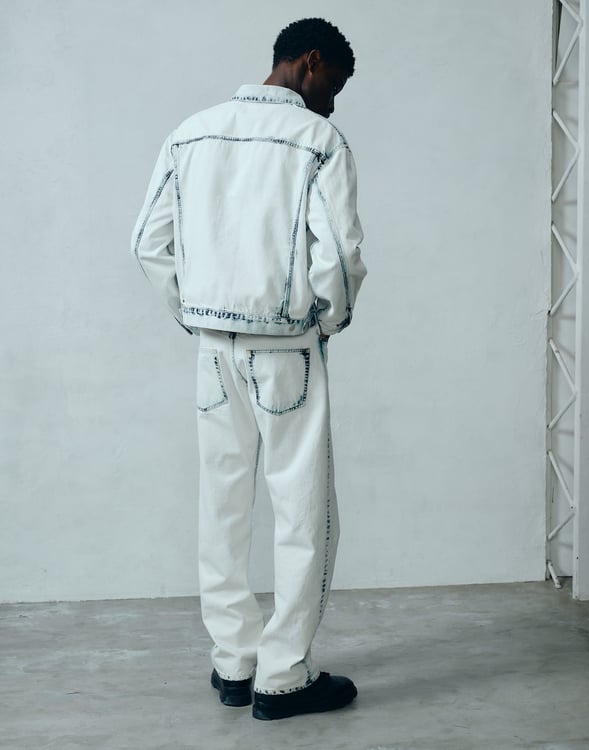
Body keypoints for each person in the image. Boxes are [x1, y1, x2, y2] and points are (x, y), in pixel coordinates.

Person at [131, 17, 366, 721]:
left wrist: (197, 313)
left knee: (223, 505)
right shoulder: (317, 140)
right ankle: (283, 674)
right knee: (302, 511)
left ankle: (233, 662)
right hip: (287, 348)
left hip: (214, 349)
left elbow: (147, 242)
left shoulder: (191, 132)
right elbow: (340, 255)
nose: (332, 102)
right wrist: (326, 320)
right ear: (310, 61)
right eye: (334, 85)